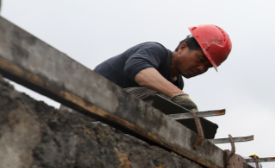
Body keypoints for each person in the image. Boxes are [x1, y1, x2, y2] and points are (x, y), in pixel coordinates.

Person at [94, 25, 232, 111]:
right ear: (183, 48)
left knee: (169, 107)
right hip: (93, 94)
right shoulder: (156, 51)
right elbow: (136, 67)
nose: (201, 69)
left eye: (207, 67)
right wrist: (178, 95)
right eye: (201, 59)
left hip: (115, 106)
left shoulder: (177, 82)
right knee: (158, 99)